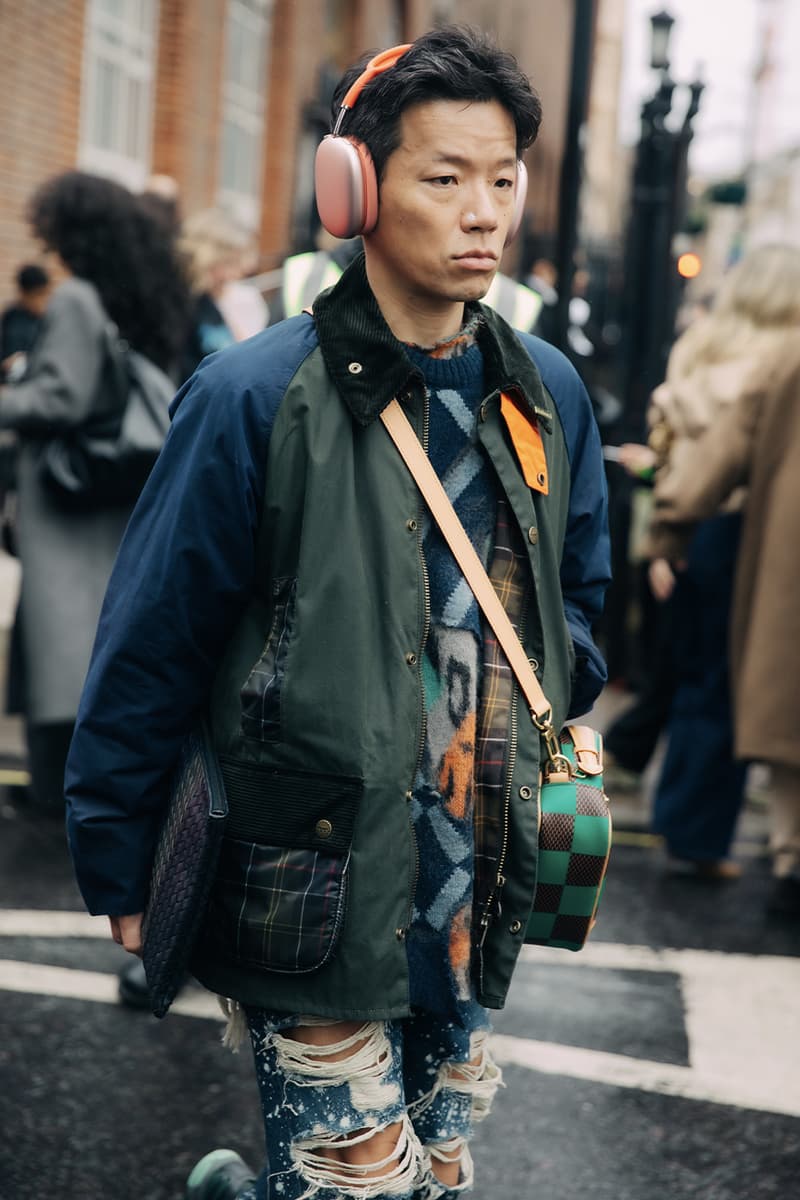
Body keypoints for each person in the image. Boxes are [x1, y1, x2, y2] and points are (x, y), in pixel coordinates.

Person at [65, 28, 610, 1200]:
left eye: (502, 179)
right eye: (443, 177)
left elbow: (583, 591)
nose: (483, 213)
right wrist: (117, 856)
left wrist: (536, 697)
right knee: (359, 1188)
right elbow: (153, 637)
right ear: (354, 190)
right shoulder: (254, 393)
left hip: (482, 883)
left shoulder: (546, 390)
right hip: (303, 879)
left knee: (436, 1181)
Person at [0, 170, 189, 811]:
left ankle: (62, 798)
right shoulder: (135, 292)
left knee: (63, 642)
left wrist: (11, 393)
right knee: (90, 634)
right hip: (108, 488)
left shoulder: (78, 296)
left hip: (67, 498)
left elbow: (63, 395)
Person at [637, 244, 800, 879]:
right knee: (744, 687)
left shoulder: (699, 349)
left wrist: (665, 536)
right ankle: (708, 837)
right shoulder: (780, 360)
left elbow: (669, 438)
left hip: (694, 524)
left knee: (694, 679)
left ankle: (687, 826)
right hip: (752, 536)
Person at [178, 208, 265, 380]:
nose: (234, 273)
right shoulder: (184, 300)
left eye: (237, 263)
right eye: (227, 263)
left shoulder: (244, 298)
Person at [0, 263, 51, 380]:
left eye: (44, 295)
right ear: (24, 294)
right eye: (37, 295)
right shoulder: (10, 316)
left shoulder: (47, 320)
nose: (41, 301)